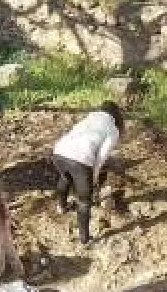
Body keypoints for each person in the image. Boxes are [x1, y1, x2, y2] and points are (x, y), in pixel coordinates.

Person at [52, 102, 124, 244]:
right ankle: (84, 239)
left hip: (58, 152)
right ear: (116, 116)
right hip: (80, 160)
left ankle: (61, 207)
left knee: (65, 178)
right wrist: (94, 177)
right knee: (84, 201)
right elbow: (101, 158)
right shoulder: (112, 129)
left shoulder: (89, 118)